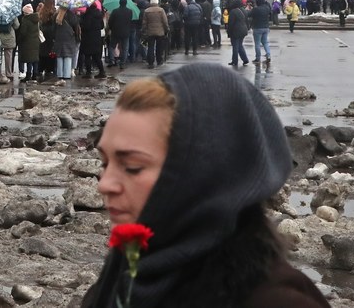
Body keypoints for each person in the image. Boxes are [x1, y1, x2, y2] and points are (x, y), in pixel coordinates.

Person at [82, 64, 331, 307]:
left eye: (132, 166)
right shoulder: (123, 275)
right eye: (104, 163)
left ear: (202, 174)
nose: (105, 184)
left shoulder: (276, 301)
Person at [53, 4, 80, 82]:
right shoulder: (71, 15)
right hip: (69, 38)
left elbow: (53, 28)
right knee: (68, 56)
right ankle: (67, 74)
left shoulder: (56, 15)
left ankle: (60, 74)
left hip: (58, 38)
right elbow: (76, 25)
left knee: (59, 56)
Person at [79, 4, 106, 79]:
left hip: (88, 38)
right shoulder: (99, 14)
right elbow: (102, 26)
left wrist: (81, 22)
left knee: (87, 55)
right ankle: (102, 71)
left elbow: (86, 26)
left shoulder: (87, 14)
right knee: (97, 56)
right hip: (97, 37)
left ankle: (88, 72)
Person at [15, 4, 41, 82]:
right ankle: (35, 75)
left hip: (27, 42)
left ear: (25, 13)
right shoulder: (36, 19)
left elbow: (23, 32)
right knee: (35, 59)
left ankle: (28, 75)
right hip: (36, 41)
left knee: (29, 59)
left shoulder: (25, 20)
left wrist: (19, 40)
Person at [140, 0, 169, 68]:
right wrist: (166, 29)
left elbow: (144, 23)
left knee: (150, 47)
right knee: (159, 47)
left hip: (150, 32)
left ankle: (150, 62)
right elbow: (165, 21)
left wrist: (143, 31)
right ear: (157, 2)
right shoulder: (161, 10)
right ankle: (159, 60)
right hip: (160, 32)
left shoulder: (147, 11)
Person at [248, 0, 273, 65]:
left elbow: (248, 14)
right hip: (266, 27)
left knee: (257, 44)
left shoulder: (256, 9)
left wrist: (249, 9)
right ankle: (268, 55)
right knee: (265, 42)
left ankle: (258, 58)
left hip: (257, 28)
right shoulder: (267, 8)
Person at [226, 0, 251, 67]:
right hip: (243, 30)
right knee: (240, 45)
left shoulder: (233, 12)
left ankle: (235, 61)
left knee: (235, 46)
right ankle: (245, 59)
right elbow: (247, 21)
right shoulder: (243, 10)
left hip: (236, 31)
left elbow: (231, 24)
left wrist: (229, 32)